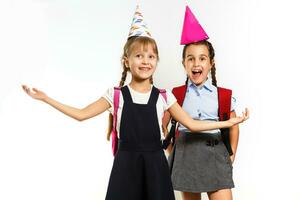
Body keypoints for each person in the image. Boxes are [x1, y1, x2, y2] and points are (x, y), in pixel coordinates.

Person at [22, 5, 249, 200]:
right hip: (126, 168)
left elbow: (192, 124)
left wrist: (230, 123)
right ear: (127, 61)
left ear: (157, 61)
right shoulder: (115, 95)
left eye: (151, 56)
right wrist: (46, 99)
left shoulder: (164, 96)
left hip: (156, 169)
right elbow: (82, 114)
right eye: (139, 55)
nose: (145, 61)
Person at [163, 6, 244, 200]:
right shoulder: (176, 95)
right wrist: (171, 150)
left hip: (215, 154)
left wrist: (231, 155)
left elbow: (233, 127)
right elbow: (162, 123)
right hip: (186, 155)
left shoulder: (223, 95)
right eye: (190, 59)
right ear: (184, 64)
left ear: (211, 63)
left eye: (202, 58)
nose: (196, 64)